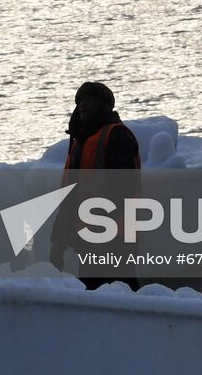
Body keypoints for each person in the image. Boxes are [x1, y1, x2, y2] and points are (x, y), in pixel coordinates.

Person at [52, 81, 141, 290]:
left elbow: (123, 188)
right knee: (98, 291)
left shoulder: (117, 135)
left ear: (104, 106)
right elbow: (70, 195)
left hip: (115, 235)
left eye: (90, 100)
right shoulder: (79, 143)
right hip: (88, 236)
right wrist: (58, 239)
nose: (83, 105)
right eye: (80, 100)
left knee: (121, 289)